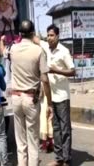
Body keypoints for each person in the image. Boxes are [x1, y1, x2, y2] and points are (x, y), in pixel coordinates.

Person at [0, 20, 52, 166]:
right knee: (33, 141)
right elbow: (45, 79)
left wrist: (2, 41)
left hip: (16, 98)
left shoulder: (12, 49)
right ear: (33, 33)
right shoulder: (39, 51)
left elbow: (2, 51)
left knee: (20, 141)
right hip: (31, 99)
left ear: (19, 34)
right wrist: (50, 102)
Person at [38, 25, 75, 166]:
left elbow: (73, 71)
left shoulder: (64, 51)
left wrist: (55, 70)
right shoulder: (47, 48)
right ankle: (59, 158)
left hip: (63, 96)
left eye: (52, 35)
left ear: (58, 36)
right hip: (51, 96)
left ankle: (67, 159)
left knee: (65, 129)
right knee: (56, 129)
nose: (49, 38)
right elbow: (37, 40)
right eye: (48, 35)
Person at [32, 36, 54, 153]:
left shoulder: (40, 53)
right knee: (50, 116)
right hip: (51, 87)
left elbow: (43, 78)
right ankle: (50, 142)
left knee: (44, 117)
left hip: (45, 86)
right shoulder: (47, 50)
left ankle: (45, 144)